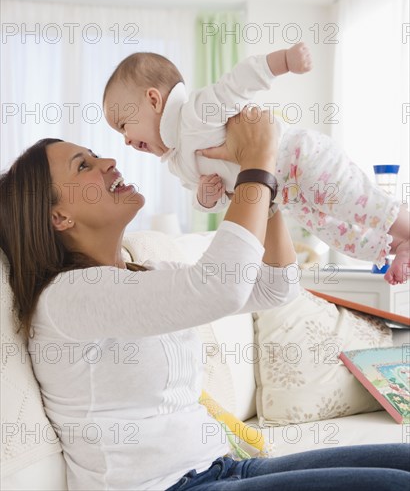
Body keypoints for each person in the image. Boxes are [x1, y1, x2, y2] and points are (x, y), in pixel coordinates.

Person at [0, 111, 409, 491]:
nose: (108, 160)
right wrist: (256, 165)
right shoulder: (68, 298)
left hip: (222, 467)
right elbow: (217, 286)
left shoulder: (148, 273)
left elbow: (273, 287)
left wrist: (258, 186)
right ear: (58, 218)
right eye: (83, 166)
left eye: (94, 155)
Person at [102, 46, 410, 286]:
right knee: (337, 233)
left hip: (301, 157)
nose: (126, 141)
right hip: (288, 196)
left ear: (154, 100)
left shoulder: (195, 113)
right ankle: (398, 247)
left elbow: (236, 84)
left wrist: (283, 61)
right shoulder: (179, 164)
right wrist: (206, 198)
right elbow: (224, 199)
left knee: (358, 202)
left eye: (124, 125)